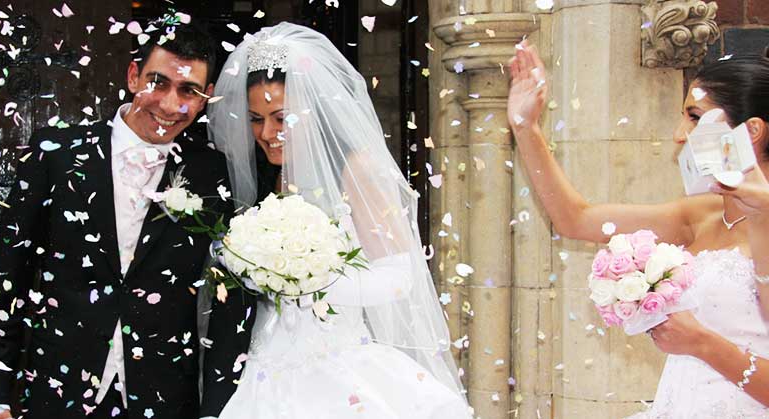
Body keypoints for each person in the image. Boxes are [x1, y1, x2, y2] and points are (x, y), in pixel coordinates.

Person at [0, 23, 249, 418]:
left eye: (189, 91)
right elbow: (7, 278)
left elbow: (226, 303)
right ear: (133, 76)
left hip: (164, 401)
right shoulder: (57, 155)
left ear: (204, 99)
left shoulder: (212, 174)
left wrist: (216, 412)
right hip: (58, 393)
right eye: (158, 82)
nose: (170, 106)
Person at [205, 22, 470, 418]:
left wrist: (313, 281)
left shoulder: (356, 171)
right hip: (264, 367)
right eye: (256, 119)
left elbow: (399, 278)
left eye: (281, 117)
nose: (267, 133)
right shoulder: (263, 176)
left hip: (336, 365)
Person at [506, 42, 769, 417]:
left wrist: (702, 344)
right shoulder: (700, 214)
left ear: (752, 130)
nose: (680, 135)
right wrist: (525, 126)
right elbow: (575, 219)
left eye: (695, 117)